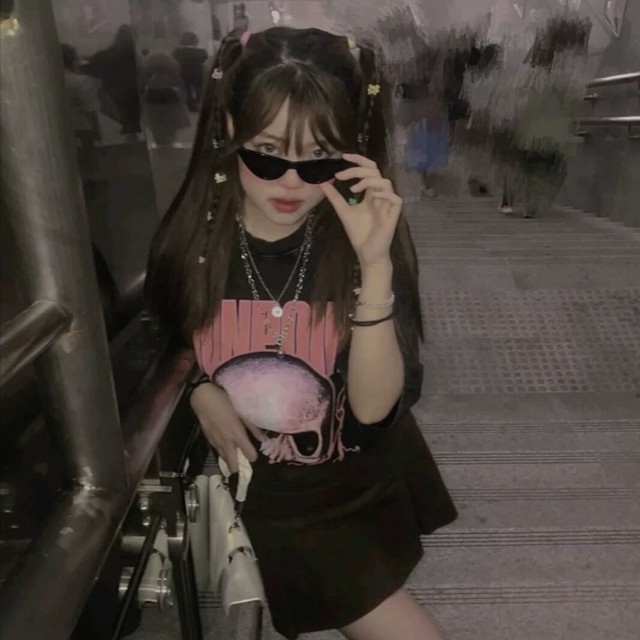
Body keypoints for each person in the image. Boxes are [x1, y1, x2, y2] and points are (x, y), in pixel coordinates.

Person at [145, 27, 457, 640]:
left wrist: (375, 265)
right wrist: (200, 390)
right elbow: (166, 340)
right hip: (262, 495)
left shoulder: (363, 239)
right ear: (229, 128)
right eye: (266, 153)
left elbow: (371, 413)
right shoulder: (193, 244)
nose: (290, 182)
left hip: (348, 487)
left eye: (319, 159)